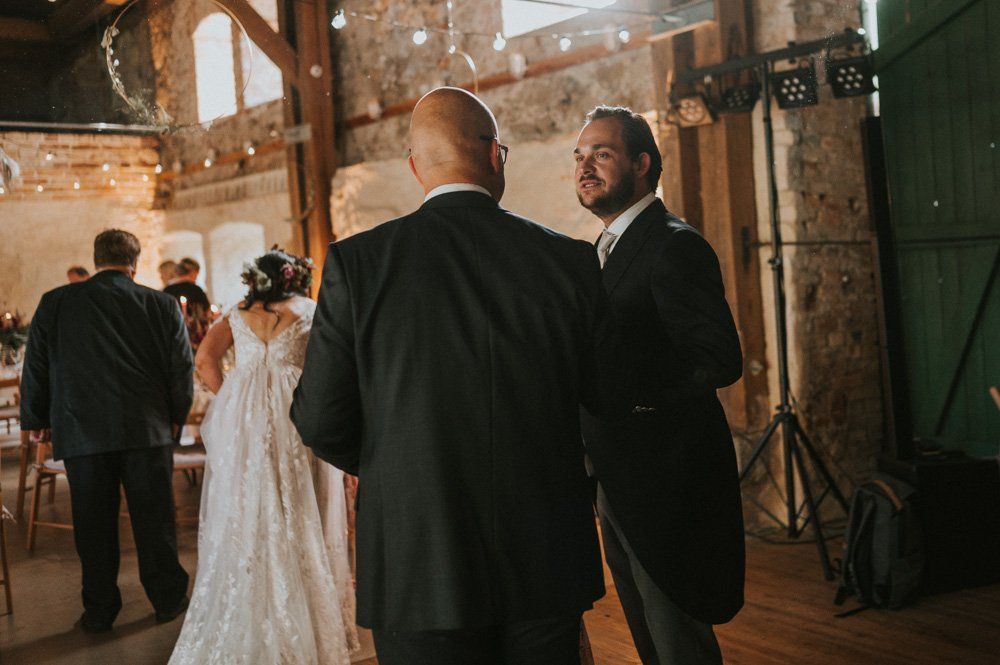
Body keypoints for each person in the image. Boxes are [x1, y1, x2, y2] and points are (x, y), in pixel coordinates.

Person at [291, 87, 629, 665]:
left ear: (416, 166)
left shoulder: (358, 264)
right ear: (496, 155)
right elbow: (606, 399)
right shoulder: (568, 261)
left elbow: (321, 417)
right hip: (544, 545)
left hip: (416, 551)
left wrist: (399, 463)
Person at [574, 105, 746, 664]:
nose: (585, 167)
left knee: (677, 640)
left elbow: (718, 359)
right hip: (617, 474)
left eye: (601, 154)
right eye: (579, 157)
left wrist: (633, 396)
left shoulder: (673, 243)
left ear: (642, 163)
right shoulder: (603, 250)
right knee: (648, 635)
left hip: (668, 477)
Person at [169, 249, 357, 665]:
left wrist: (232, 398)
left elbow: (205, 360)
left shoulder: (237, 312)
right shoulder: (309, 309)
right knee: (303, 500)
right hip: (299, 411)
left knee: (248, 499)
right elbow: (332, 364)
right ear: (296, 278)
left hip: (247, 418)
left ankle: (250, 594)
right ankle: (307, 606)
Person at [19, 229, 192, 633]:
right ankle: (167, 599)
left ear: (96, 259)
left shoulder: (56, 302)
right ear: (135, 262)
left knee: (93, 524)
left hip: (82, 429)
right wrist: (175, 417)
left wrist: (37, 421)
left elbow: (36, 365)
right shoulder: (161, 304)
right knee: (155, 520)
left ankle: (99, 610)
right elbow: (180, 369)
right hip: (145, 429)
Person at [164, 258, 211, 349]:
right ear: (193, 272)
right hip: (195, 337)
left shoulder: (167, 290)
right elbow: (206, 313)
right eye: (197, 274)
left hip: (173, 337)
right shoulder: (196, 290)